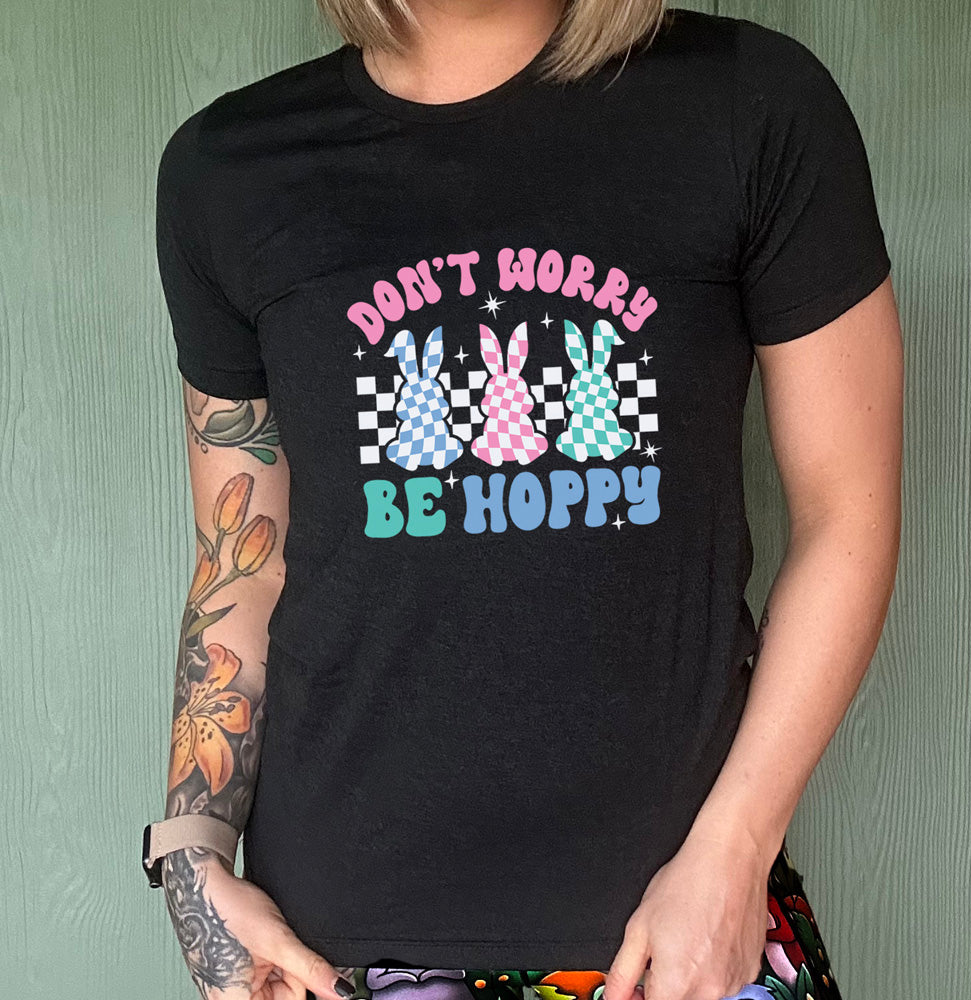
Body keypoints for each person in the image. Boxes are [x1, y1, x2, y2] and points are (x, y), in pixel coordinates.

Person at [148, 1, 903, 999]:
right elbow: (241, 559)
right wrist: (192, 856)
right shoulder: (228, 169)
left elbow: (847, 515)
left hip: (674, 931)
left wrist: (736, 848)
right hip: (331, 944)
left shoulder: (748, 104)